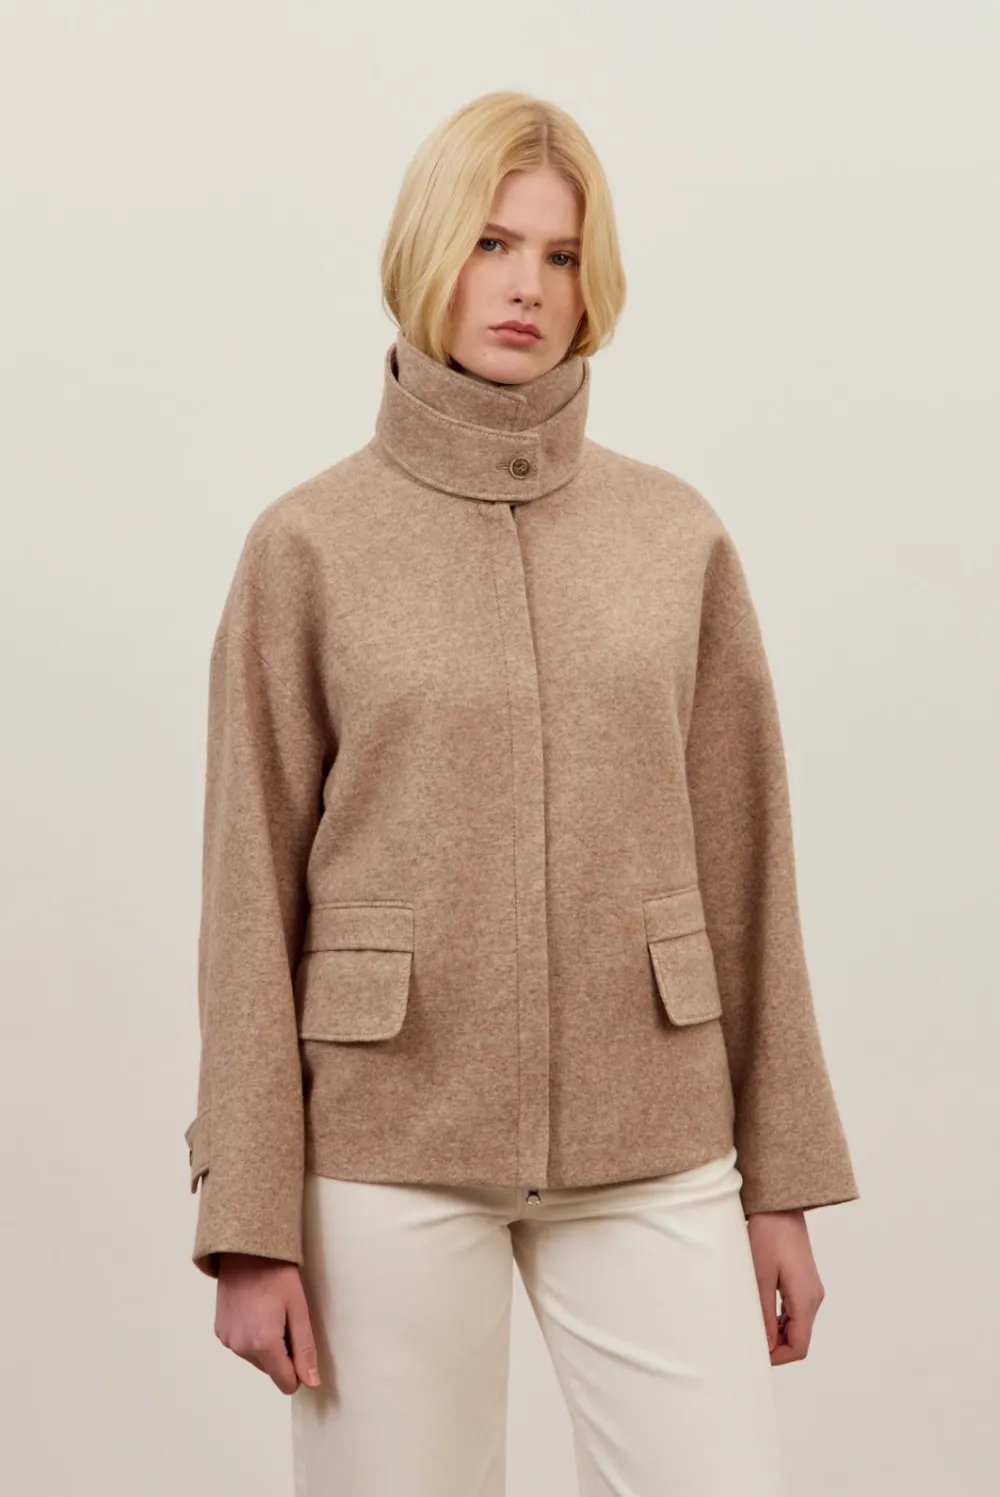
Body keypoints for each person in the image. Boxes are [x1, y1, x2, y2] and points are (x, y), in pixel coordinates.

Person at [184, 89, 859, 1496]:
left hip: (654, 1127)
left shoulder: (673, 535)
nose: (526, 287)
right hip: (389, 1138)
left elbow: (749, 866)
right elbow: (247, 898)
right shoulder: (308, 545)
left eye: (560, 256)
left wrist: (784, 1179)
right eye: (492, 244)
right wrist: (246, 1216)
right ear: (428, 253)